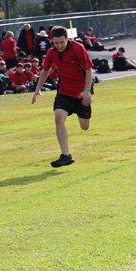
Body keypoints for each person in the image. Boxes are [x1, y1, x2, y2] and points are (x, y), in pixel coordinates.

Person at [31, 26, 93, 168]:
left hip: (81, 92)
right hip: (64, 91)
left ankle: (81, 112)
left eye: (61, 42)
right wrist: (37, 88)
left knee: (84, 127)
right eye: (56, 43)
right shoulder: (51, 52)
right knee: (58, 119)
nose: (59, 46)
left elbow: (89, 70)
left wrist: (87, 90)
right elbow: (45, 70)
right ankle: (65, 155)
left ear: (67, 39)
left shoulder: (78, 48)